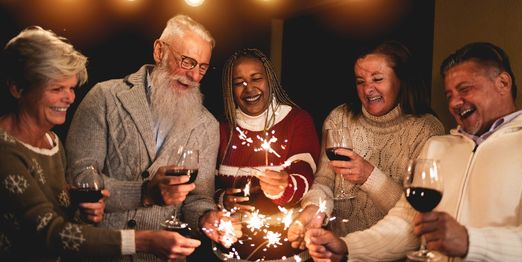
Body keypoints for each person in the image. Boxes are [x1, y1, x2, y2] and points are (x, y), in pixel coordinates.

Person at [305, 42, 522, 261]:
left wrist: (470, 242)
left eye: (465, 89)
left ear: (503, 83)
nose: (454, 102)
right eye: (449, 94)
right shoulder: (440, 146)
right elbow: (406, 223)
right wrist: (347, 247)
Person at [0, 26, 201, 261]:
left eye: (72, 88)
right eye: (56, 89)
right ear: (17, 88)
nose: (70, 98)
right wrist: (144, 241)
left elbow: (57, 215)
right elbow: (51, 233)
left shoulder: (51, 141)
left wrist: (81, 212)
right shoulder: (5, 152)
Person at [65, 15, 228, 261]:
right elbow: (77, 179)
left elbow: (198, 198)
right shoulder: (105, 97)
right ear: (159, 50)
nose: (194, 76)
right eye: (187, 62)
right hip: (101, 252)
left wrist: (207, 217)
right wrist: (144, 192)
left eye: (202, 67)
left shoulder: (207, 125)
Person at [288, 41, 444, 247]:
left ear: (401, 80)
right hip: (338, 248)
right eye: (360, 81)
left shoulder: (427, 129)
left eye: (377, 79)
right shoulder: (339, 118)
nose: (368, 89)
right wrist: (313, 209)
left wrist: (369, 176)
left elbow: (417, 212)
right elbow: (324, 180)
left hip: (393, 253)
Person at [214, 48, 320, 261]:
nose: (249, 88)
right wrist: (223, 199)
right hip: (231, 252)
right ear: (229, 88)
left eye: (256, 79)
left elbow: (306, 175)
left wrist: (286, 186)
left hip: (288, 251)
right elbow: (206, 189)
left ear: (269, 80)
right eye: (238, 82)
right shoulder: (220, 128)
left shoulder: (296, 120)